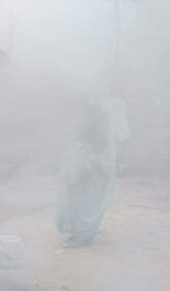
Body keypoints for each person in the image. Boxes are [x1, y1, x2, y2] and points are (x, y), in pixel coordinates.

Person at [56, 91, 130, 247]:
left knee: (83, 202)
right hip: (88, 162)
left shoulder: (99, 119)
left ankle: (83, 236)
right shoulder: (92, 116)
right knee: (80, 200)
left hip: (92, 165)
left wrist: (88, 165)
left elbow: (100, 146)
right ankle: (83, 233)